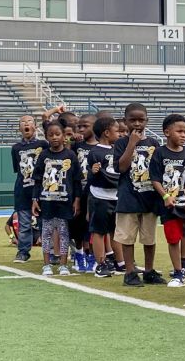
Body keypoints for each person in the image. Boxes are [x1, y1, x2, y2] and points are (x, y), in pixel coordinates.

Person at [114, 103, 165, 287]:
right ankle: (129, 271)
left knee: (149, 237)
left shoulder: (153, 143)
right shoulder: (120, 143)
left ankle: (149, 271)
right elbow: (121, 167)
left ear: (147, 121)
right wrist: (131, 144)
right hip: (129, 197)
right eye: (132, 120)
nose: (137, 123)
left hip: (150, 197)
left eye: (141, 120)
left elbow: (160, 169)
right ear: (125, 121)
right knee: (127, 237)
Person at [31, 122, 81, 276]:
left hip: (64, 202)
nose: (54, 137)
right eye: (51, 135)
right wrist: (34, 199)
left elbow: (76, 180)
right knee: (46, 233)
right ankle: (46, 264)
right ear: (46, 137)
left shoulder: (70, 155)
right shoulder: (44, 155)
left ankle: (63, 264)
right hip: (46, 202)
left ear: (64, 136)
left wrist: (77, 200)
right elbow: (38, 180)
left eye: (57, 134)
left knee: (64, 233)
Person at [150, 113, 185, 287]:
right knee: (173, 238)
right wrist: (166, 196)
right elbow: (155, 178)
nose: (183, 135)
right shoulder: (160, 153)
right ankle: (177, 272)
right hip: (169, 205)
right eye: (179, 131)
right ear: (167, 132)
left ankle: (184, 263)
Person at [86, 116, 124, 278]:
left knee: (116, 231)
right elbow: (98, 176)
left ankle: (121, 262)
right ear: (107, 133)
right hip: (100, 197)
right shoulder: (95, 152)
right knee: (99, 232)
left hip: (116, 197)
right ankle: (101, 264)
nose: (120, 134)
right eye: (117, 131)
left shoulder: (118, 149)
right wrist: (93, 172)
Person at [10, 115, 47, 263]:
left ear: (35, 126)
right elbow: (16, 169)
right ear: (20, 128)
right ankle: (23, 251)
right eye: (23, 122)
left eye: (29, 121)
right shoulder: (16, 148)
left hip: (42, 189)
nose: (26, 124)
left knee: (46, 223)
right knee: (24, 224)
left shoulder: (43, 145)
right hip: (23, 190)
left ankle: (50, 251)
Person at [70, 113, 98, 272]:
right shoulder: (77, 146)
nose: (81, 129)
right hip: (78, 191)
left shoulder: (100, 146)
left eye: (85, 126)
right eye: (79, 126)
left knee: (92, 226)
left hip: (94, 192)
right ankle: (79, 254)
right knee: (77, 226)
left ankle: (92, 256)